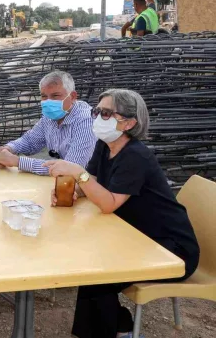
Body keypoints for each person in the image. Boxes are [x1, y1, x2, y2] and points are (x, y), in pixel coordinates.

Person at [43, 89, 200, 338]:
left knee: (98, 275)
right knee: (93, 269)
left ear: (128, 122)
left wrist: (76, 172)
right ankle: (118, 327)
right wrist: (73, 192)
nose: (98, 118)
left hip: (170, 249)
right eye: (97, 111)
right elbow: (93, 181)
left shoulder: (136, 156)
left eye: (106, 113)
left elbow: (108, 203)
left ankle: (116, 330)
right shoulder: (105, 146)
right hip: (136, 237)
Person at [0, 70, 96, 176]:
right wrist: (9, 148)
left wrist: (17, 161)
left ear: (73, 97)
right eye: (44, 96)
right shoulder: (50, 117)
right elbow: (30, 141)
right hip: (65, 183)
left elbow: (70, 169)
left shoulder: (86, 121)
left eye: (55, 96)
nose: (48, 101)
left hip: (90, 185)